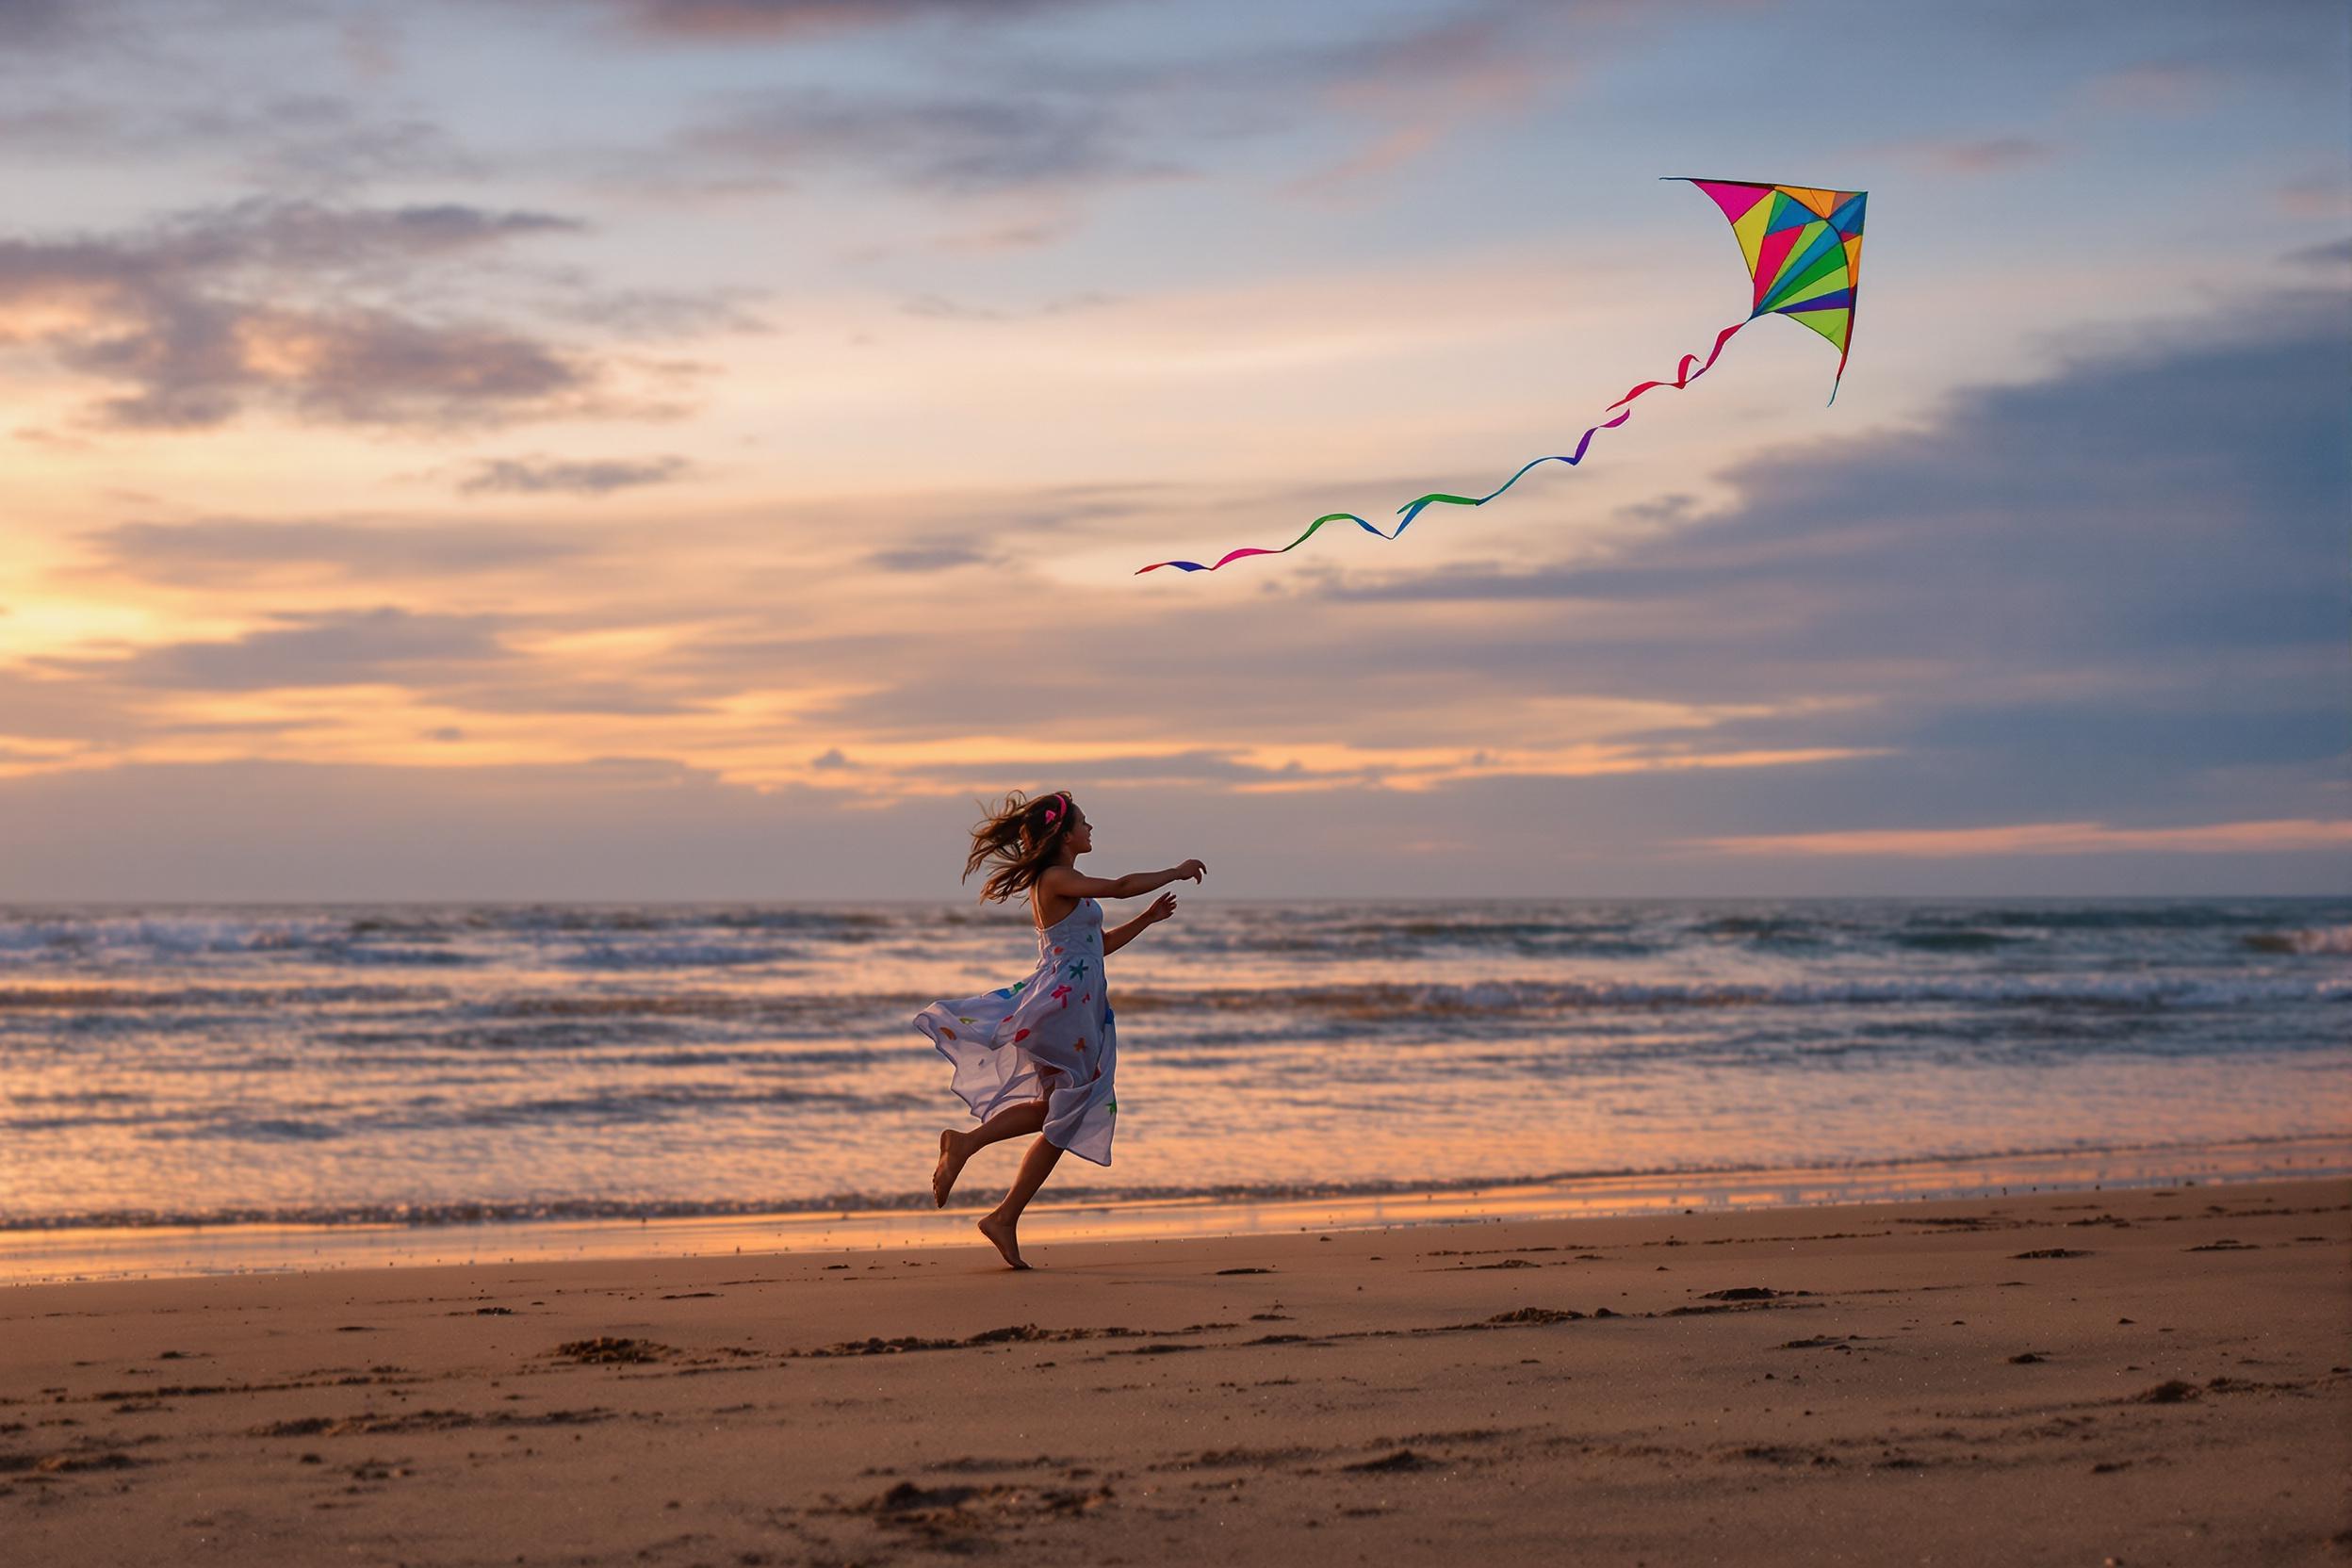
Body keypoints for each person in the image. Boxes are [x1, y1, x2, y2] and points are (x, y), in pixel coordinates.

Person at [914, 791, 1205, 1268]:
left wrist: (1148, 920)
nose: (1091, 830)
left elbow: (1095, 948)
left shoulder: (1067, 884)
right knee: (1070, 1109)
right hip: (1065, 1008)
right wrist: (1173, 871)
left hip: (1075, 1004)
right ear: (1064, 834)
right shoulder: (1056, 877)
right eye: (1085, 823)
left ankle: (972, 1155)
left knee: (1057, 1107)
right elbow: (1125, 883)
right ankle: (1002, 1210)